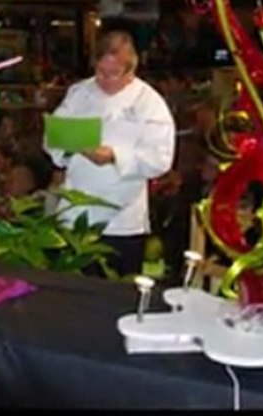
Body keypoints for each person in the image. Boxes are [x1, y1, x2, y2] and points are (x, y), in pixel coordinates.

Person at [44, 29, 176, 277]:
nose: (104, 80)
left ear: (131, 70)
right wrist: (69, 147)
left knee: (116, 293)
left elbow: (161, 158)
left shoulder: (148, 102)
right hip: (75, 213)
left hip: (122, 220)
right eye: (100, 72)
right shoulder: (79, 93)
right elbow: (53, 141)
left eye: (113, 74)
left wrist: (115, 155)